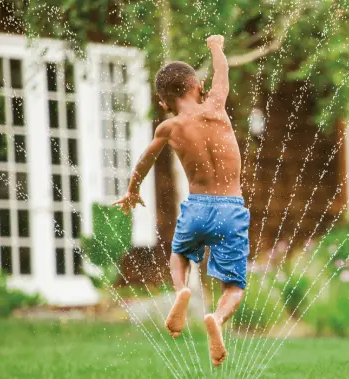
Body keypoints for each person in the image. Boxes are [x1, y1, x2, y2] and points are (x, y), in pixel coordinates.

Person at [113, 35, 249, 367]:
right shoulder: (216, 106)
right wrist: (216, 46)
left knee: (180, 254)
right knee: (234, 285)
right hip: (231, 208)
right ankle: (217, 318)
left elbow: (145, 161)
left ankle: (181, 292)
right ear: (197, 85)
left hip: (197, 207)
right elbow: (222, 71)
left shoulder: (169, 127)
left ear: (163, 102)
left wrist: (132, 190)